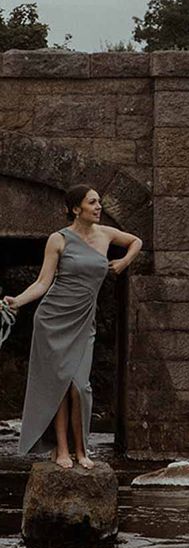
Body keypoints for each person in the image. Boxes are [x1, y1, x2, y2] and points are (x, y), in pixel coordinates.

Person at [3, 184, 142, 468]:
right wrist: (17, 300)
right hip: (53, 319)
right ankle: (63, 450)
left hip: (84, 320)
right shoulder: (58, 239)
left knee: (80, 385)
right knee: (60, 385)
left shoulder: (106, 235)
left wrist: (124, 262)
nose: (99, 206)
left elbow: (136, 241)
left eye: (99, 201)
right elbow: (43, 282)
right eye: (93, 202)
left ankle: (82, 450)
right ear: (76, 209)